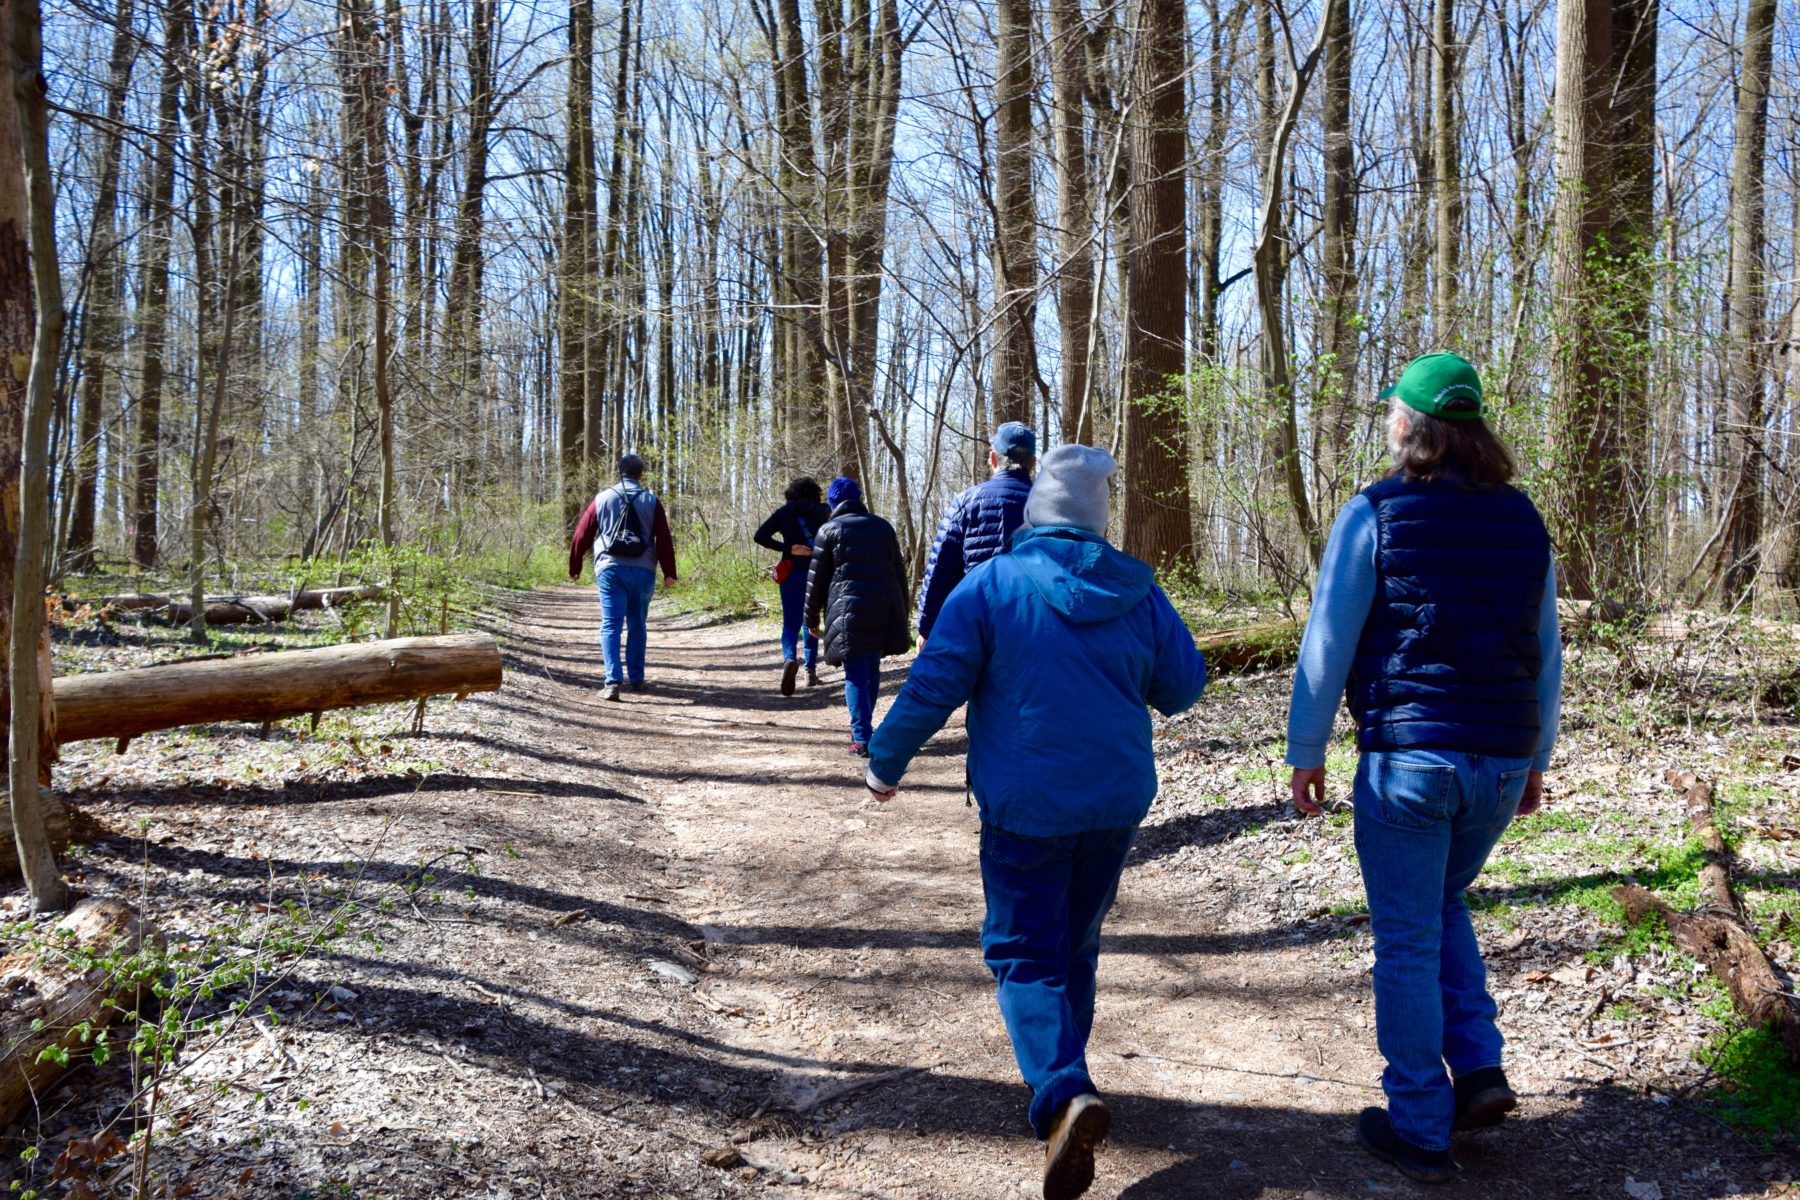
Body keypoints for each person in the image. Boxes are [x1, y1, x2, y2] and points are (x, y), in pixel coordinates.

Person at [862, 445, 1207, 1200]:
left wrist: (885, 761)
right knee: (1075, 944)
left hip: (1026, 808)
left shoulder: (991, 584)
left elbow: (932, 686)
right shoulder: (1139, 591)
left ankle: (1062, 1091)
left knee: (1022, 953)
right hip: (1113, 803)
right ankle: (1065, 1088)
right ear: (1097, 517)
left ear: (1034, 512)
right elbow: (1183, 688)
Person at [1285, 352, 1562, 1184]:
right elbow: (1547, 653)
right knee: (1440, 900)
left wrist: (1305, 751)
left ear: (1409, 425)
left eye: (1391, 413)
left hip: (1410, 759)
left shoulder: (1375, 511)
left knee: (1406, 937)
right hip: (1501, 758)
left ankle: (1418, 1125)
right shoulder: (1523, 517)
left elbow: (1328, 641)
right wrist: (1536, 758)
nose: (1387, 423)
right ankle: (1477, 1068)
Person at [803, 476, 911, 757]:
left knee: (855, 674)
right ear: (859, 498)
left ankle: (861, 738)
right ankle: (864, 731)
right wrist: (904, 608)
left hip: (847, 613)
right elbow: (899, 573)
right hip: (883, 608)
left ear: (832, 503)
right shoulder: (882, 526)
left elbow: (815, 581)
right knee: (871, 670)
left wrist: (810, 619)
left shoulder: (828, 530)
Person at [914, 421, 1036, 647]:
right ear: (1033, 462)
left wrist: (927, 628)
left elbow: (940, 567)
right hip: (1033, 626)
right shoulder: (1048, 505)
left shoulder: (966, 501)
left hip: (975, 626)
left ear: (993, 459)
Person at [568, 454, 679, 701]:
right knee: (637, 623)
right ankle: (637, 679)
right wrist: (669, 572)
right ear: (641, 474)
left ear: (619, 472)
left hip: (610, 569)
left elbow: (582, 533)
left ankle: (612, 682)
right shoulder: (651, 501)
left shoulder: (603, 498)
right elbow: (664, 538)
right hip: (643, 570)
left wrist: (575, 566)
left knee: (611, 624)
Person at [753, 477, 832, 695]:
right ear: (814, 493)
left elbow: (760, 536)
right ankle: (810, 671)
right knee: (811, 621)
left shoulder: (784, 512)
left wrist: (788, 548)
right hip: (818, 573)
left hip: (791, 573)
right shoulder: (824, 511)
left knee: (790, 623)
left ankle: (789, 659)